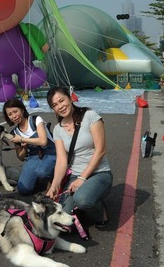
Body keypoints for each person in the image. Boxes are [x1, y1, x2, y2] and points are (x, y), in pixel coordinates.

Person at [45, 86, 111, 228]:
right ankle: (85, 203)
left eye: (62, 100)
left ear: (70, 97)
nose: (60, 107)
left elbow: (100, 150)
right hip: (75, 176)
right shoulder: (58, 130)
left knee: (83, 199)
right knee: (63, 217)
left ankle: (99, 210)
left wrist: (82, 178)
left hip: (99, 173)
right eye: (55, 105)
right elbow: (62, 160)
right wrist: (55, 185)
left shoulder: (90, 116)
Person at [2, 98, 56, 195]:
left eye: (15, 111)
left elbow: (43, 141)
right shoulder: (15, 133)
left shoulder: (35, 120)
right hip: (34, 156)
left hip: (50, 152)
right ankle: (40, 177)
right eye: (10, 114)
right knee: (23, 189)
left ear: (22, 110)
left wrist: (22, 139)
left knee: (42, 172)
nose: (14, 116)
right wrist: (25, 147)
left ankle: (56, 176)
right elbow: (21, 157)